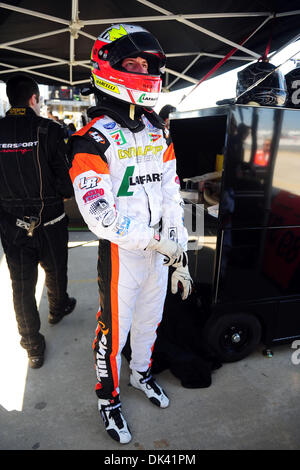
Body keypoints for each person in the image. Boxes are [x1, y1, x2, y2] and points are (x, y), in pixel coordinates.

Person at [68, 23, 192, 444]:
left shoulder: (159, 131)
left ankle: (141, 374)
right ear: (108, 67)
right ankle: (108, 398)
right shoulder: (90, 139)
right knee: (112, 331)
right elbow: (99, 216)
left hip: (159, 251)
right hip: (123, 253)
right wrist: (157, 242)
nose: (142, 69)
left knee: (150, 323)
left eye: (147, 64)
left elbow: (172, 193)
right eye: (132, 63)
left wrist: (180, 252)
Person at [0, 74, 76, 369]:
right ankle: (57, 309)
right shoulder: (51, 129)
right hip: (51, 220)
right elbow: (66, 183)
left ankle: (32, 347)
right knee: (55, 270)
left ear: (10, 99)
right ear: (34, 99)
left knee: (21, 284)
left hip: (11, 225)